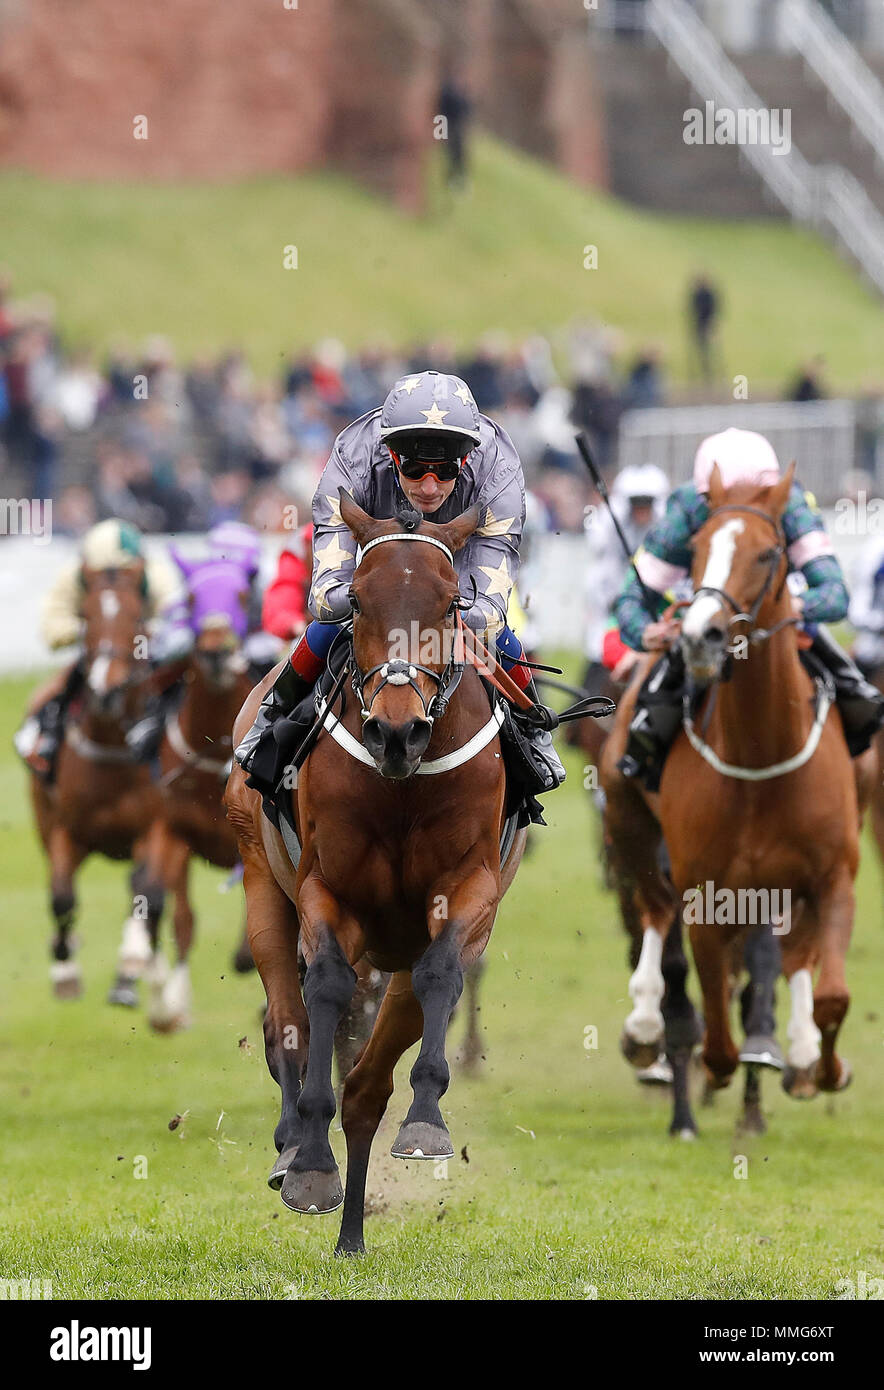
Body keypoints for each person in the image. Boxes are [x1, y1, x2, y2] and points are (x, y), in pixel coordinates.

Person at [234, 369, 566, 802]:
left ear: (466, 461)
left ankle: (531, 730)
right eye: (414, 469)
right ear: (391, 456)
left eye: (445, 471)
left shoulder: (497, 468)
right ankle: (273, 713)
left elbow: (489, 603)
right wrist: (373, 603)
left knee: (495, 633)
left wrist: (439, 612)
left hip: (455, 565)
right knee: (332, 624)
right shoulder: (353, 457)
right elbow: (324, 597)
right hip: (379, 563)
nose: (429, 487)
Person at [612, 427, 884, 790]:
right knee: (646, 713)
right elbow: (632, 598)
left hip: (781, 622)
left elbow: (835, 594)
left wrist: (792, 606)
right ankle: (639, 774)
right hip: (704, 625)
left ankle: (855, 767)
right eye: (719, 500)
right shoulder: (687, 507)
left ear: (771, 492)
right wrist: (646, 632)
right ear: (704, 494)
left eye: (754, 498)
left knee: (859, 695)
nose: (736, 508)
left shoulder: (789, 503)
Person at [14, 519, 178, 779]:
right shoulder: (74, 576)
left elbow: (174, 620)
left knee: (177, 692)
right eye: (102, 573)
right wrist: (95, 632)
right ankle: (42, 739)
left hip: (141, 652)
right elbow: (52, 626)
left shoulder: (156, 575)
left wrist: (138, 634)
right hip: (94, 654)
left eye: (121, 572)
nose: (111, 581)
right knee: (45, 697)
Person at [582, 463, 669, 695]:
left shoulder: (665, 536)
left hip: (653, 614)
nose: (641, 510)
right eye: (635, 504)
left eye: (647, 504)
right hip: (612, 614)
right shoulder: (611, 530)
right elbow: (601, 566)